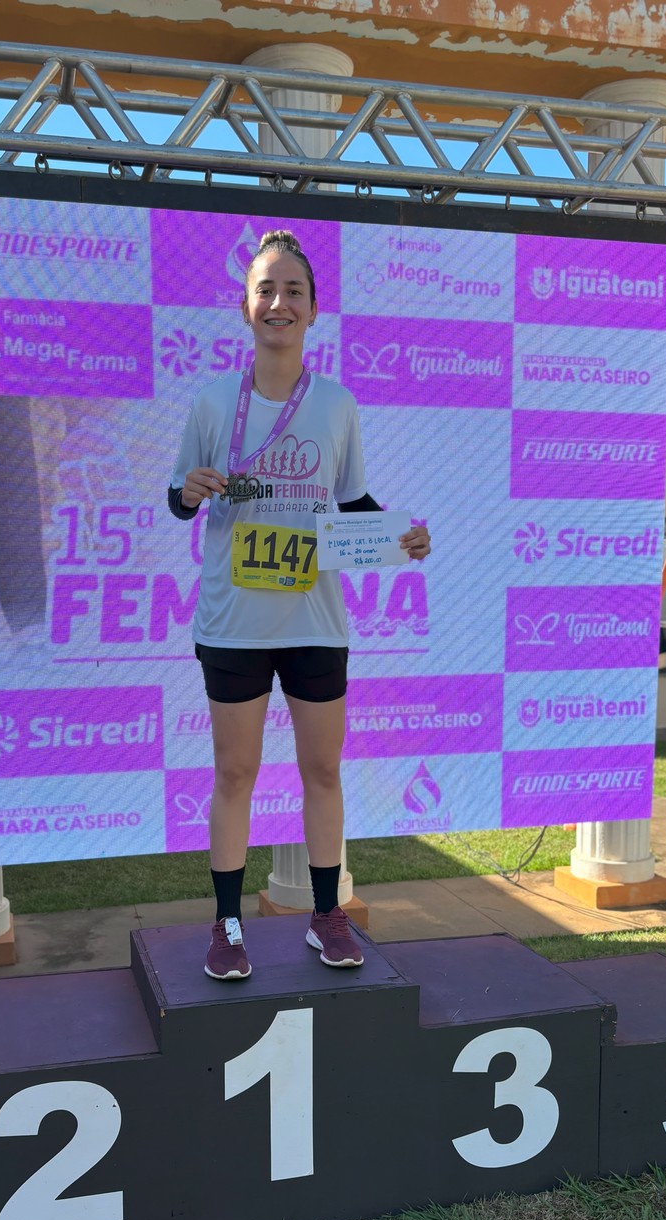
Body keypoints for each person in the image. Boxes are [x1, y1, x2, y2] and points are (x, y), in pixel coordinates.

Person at [169, 229, 431, 981]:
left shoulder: (337, 406)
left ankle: (326, 915)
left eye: (292, 291)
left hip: (316, 619)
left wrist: (396, 536)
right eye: (265, 290)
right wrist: (188, 492)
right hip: (234, 621)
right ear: (244, 306)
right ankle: (226, 926)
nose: (277, 303)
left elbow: (349, 502)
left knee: (322, 771)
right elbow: (181, 497)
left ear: (313, 310)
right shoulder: (214, 401)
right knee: (234, 775)